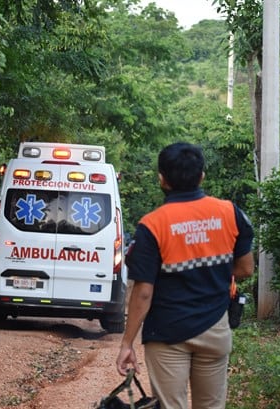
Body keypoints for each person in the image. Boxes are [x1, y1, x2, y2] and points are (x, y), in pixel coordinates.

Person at [115, 142, 254, 409]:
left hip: (167, 334)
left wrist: (127, 343)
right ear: (202, 176)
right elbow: (246, 268)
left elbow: (143, 292)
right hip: (215, 329)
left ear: (162, 179)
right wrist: (211, 273)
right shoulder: (229, 213)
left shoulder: (152, 226)